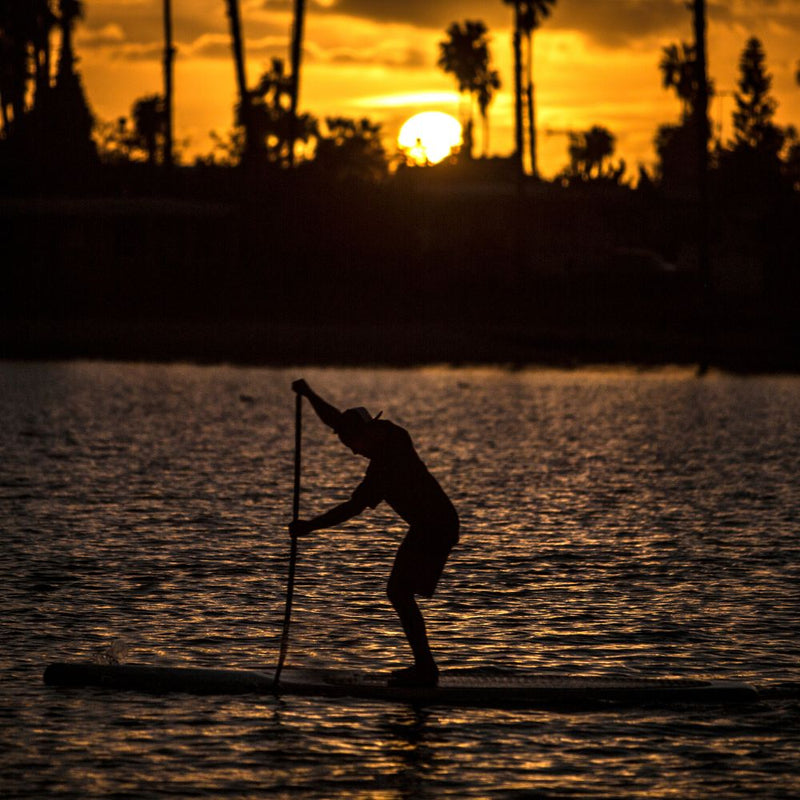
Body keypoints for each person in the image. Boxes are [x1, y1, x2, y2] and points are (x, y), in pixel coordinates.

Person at [289, 379, 459, 687]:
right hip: (429, 525)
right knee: (399, 593)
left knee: (398, 592)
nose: (354, 453)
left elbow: (351, 508)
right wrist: (309, 393)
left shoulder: (386, 465)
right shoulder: (390, 434)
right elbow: (335, 418)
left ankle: (426, 670)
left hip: (437, 526)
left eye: (354, 445)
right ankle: (425, 667)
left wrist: (309, 527)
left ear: (366, 434)